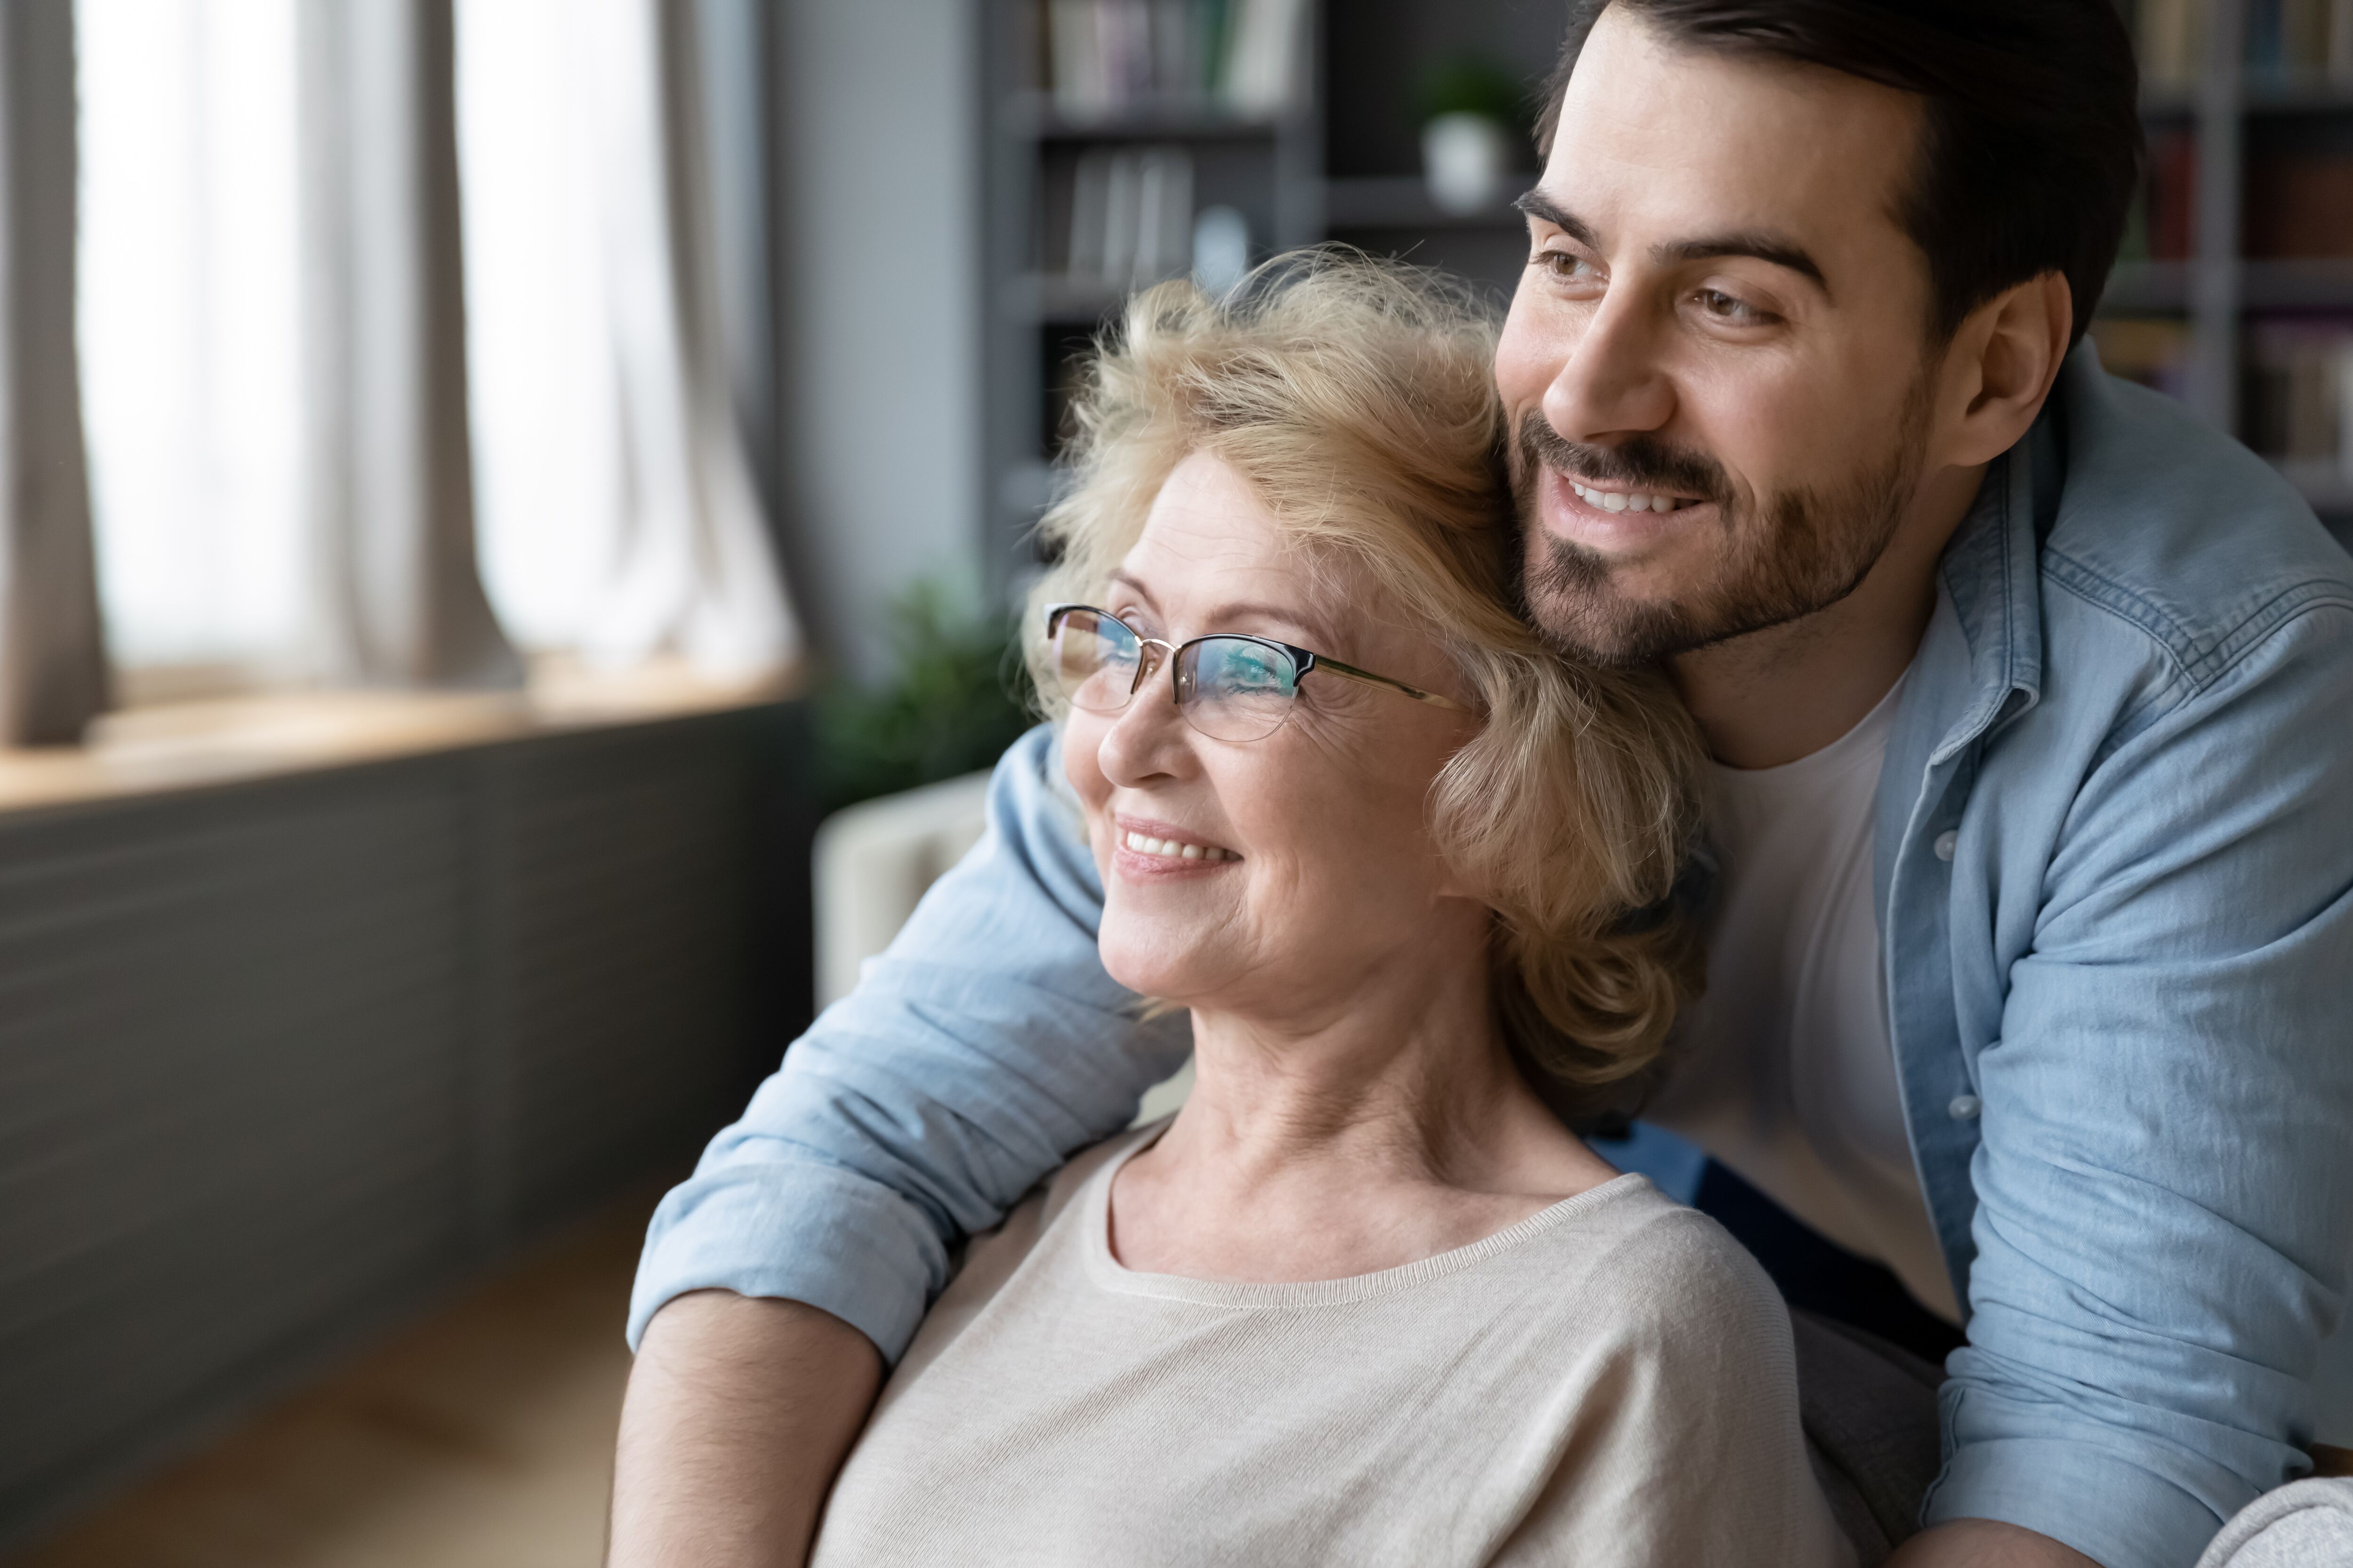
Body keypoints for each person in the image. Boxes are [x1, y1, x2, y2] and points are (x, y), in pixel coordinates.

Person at [609, 3, 2353, 1567]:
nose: (1580, 397)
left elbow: (2113, 1427)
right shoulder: (1485, 509)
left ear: (1993, 369)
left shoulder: (2204, 665)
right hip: (1720, 1252)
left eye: (1732, 300)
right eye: (1568, 257)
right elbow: (859, 1141)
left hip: (2075, 1343)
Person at [803, 257, 1847, 1566]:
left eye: (1250, 665)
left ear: (1504, 795)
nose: (1126, 741)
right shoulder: (994, 1198)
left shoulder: (1621, 1329)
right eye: (1122, 638)